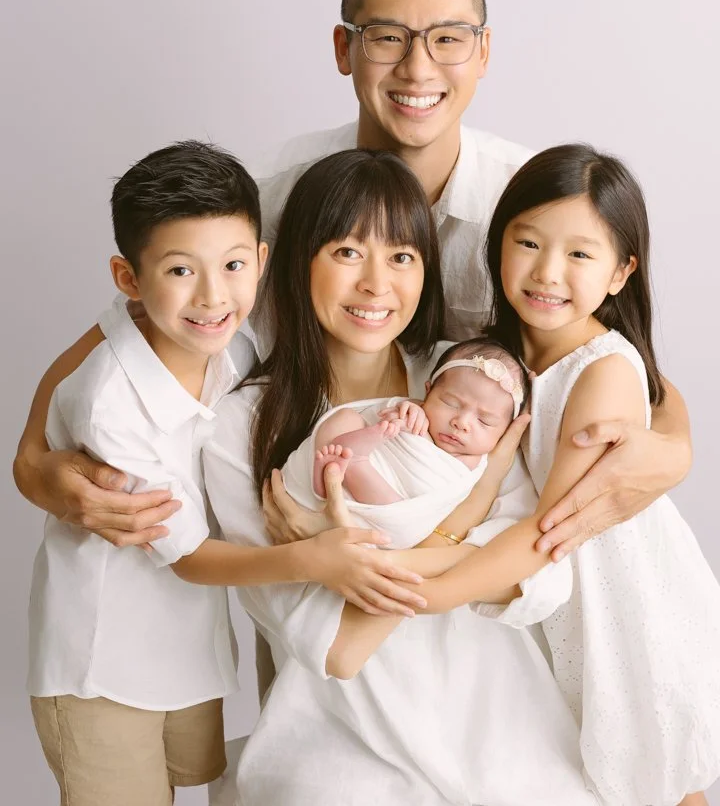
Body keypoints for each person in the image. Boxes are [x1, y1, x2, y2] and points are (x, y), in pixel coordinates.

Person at [13, 0, 690, 661]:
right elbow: (132, 321)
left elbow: (602, 352)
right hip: (315, 540)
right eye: (387, 36)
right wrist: (33, 460)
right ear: (344, 48)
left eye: (448, 37)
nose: (418, 68)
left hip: (481, 589)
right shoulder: (276, 196)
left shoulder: (527, 205)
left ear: (484, 51)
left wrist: (678, 444)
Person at [27, 141, 424, 806]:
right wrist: (313, 557)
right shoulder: (111, 410)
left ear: (261, 263)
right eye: (181, 270)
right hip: (102, 659)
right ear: (128, 278)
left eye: (234, 266)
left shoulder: (232, 343)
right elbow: (186, 557)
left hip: (188, 648)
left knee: (199, 781)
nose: (213, 295)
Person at [200, 150, 595, 806]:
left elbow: (538, 568)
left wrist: (341, 551)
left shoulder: (470, 380)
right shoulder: (241, 426)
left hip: (500, 715)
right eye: (348, 252)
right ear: (298, 260)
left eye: (402, 256)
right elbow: (331, 643)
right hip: (347, 732)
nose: (376, 284)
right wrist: (466, 526)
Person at [329, 145, 720, 806]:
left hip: (619, 599)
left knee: (653, 778)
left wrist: (430, 593)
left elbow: (549, 532)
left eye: (580, 254)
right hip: (546, 594)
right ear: (498, 243)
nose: (547, 273)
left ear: (621, 272)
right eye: (529, 243)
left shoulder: (600, 373)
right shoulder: (496, 354)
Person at [280, 339, 529, 555]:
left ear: (505, 430)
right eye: (450, 403)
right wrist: (407, 412)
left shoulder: (472, 463)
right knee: (343, 419)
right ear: (428, 391)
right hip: (347, 473)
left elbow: (435, 490)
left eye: (484, 421)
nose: (461, 423)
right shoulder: (419, 411)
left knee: (402, 521)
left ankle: (351, 466)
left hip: (394, 515)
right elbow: (382, 416)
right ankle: (325, 481)